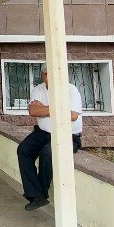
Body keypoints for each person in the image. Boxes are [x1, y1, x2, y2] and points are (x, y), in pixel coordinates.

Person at [17, 62, 82, 211]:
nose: (50, 77)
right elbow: (33, 111)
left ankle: (40, 194)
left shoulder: (70, 90)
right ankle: (36, 194)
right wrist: (58, 109)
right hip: (43, 133)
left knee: (48, 152)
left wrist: (45, 109)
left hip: (68, 135)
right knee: (23, 150)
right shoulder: (38, 90)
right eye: (47, 74)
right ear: (42, 75)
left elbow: (72, 115)